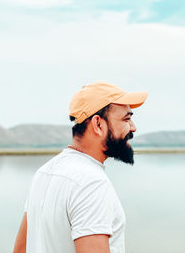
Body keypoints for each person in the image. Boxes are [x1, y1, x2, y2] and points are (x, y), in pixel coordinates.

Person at [13, 82, 147, 253]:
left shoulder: (44, 172)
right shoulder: (91, 183)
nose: (133, 127)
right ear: (98, 124)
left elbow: (20, 250)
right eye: (127, 119)